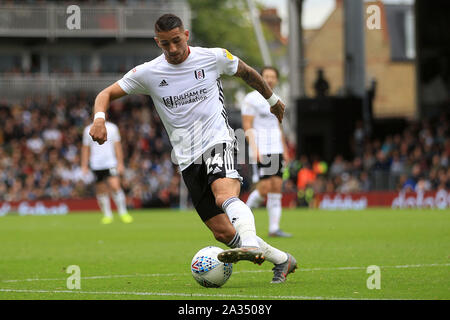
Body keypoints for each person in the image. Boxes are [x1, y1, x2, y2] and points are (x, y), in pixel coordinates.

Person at [88, 14, 297, 283]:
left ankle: (250, 243)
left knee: (224, 195)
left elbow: (246, 72)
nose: (173, 49)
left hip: (217, 140)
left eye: (176, 41)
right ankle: (281, 260)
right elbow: (104, 94)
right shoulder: (149, 73)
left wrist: (272, 98)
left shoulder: (213, 57)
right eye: (165, 44)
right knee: (221, 232)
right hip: (186, 158)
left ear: (186, 35)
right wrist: (99, 119)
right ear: (157, 42)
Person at [241, 66, 292, 237]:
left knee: (277, 186)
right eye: (266, 76)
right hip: (261, 148)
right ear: (260, 78)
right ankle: (241, 219)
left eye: (272, 76)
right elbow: (247, 125)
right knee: (264, 189)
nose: (269, 79)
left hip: (276, 148)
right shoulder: (251, 99)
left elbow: (278, 126)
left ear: (276, 79)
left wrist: (284, 148)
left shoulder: (277, 99)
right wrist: (254, 149)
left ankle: (274, 228)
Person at [81, 121, 133, 224]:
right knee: (101, 190)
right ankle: (107, 215)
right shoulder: (88, 129)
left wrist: (120, 163)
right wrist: (84, 165)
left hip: (110, 163)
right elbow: (85, 148)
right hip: (96, 164)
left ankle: (123, 212)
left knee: (115, 186)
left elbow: (117, 146)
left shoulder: (112, 128)